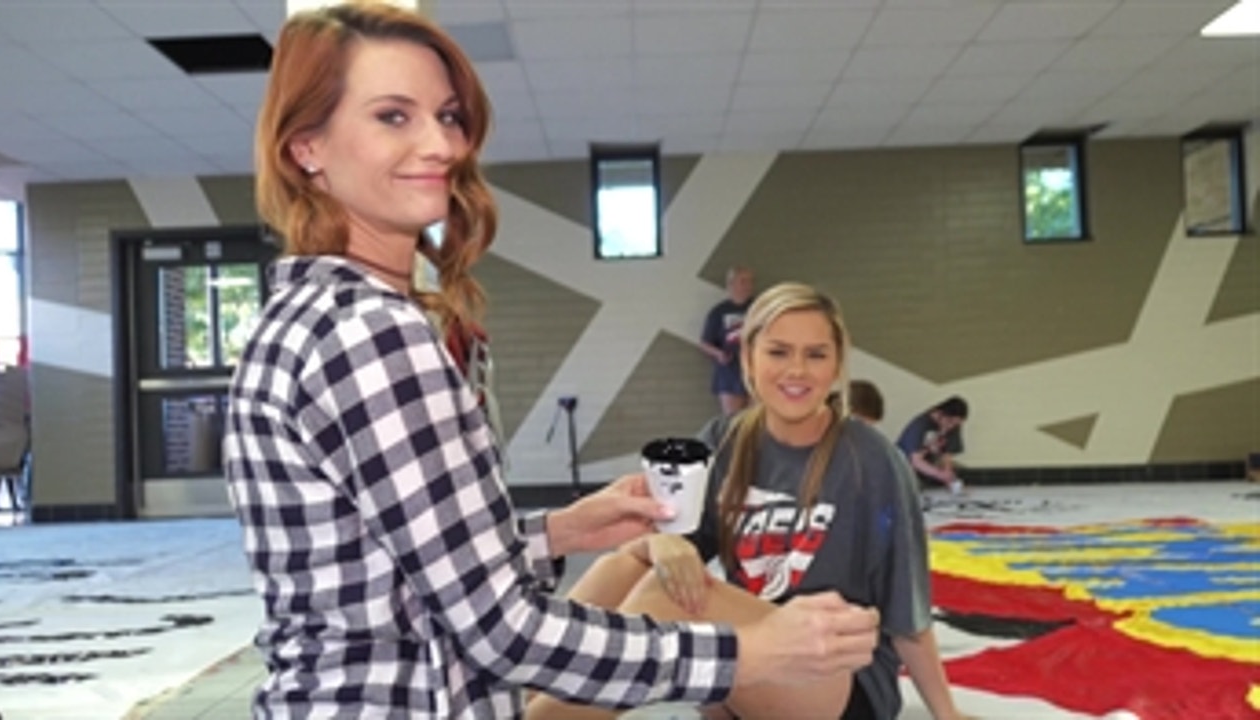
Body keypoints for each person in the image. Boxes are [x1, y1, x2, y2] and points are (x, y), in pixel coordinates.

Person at [223, 4, 881, 716]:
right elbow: (503, 632)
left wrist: (563, 530)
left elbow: (387, 572)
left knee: (635, 563)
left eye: (447, 116)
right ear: (306, 148)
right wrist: (750, 651)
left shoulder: (299, 316)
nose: (440, 144)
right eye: (393, 116)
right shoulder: (372, 334)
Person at [528, 283, 967, 720]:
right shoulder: (723, 440)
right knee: (626, 565)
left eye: (816, 354)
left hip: (837, 678)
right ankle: (523, 699)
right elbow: (660, 548)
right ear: (747, 361)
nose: (797, 370)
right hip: (755, 659)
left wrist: (946, 714)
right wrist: (657, 542)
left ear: (836, 367)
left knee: (669, 593)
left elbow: (907, 609)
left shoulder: (872, 459)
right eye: (778, 352)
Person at [700, 265, 754, 415]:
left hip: (755, 370)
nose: (748, 285)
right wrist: (719, 354)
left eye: (750, 281)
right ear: (731, 284)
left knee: (756, 420)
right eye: (743, 281)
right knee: (732, 421)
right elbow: (705, 343)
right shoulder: (718, 312)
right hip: (729, 372)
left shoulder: (759, 308)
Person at [896, 396, 969, 495]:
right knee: (912, 485)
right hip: (906, 465)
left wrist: (948, 477)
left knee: (959, 471)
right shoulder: (919, 426)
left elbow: (947, 455)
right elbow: (915, 461)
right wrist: (940, 475)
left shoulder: (953, 426)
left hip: (930, 463)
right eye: (950, 422)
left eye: (956, 425)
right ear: (940, 414)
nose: (951, 427)